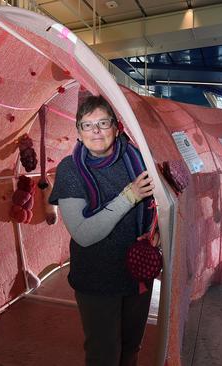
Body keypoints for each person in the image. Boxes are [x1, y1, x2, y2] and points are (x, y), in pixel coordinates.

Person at [49, 95, 157, 366]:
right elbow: (83, 234)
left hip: (137, 272)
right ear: (78, 132)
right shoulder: (70, 170)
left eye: (103, 123)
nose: (96, 131)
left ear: (117, 127)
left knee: (131, 347)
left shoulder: (138, 158)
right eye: (87, 125)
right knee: (104, 355)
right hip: (97, 277)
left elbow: (161, 203)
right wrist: (129, 196)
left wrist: (158, 232)